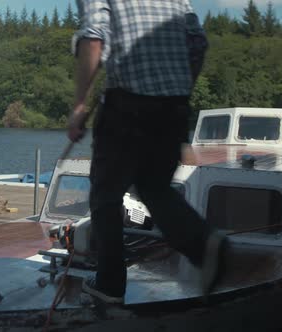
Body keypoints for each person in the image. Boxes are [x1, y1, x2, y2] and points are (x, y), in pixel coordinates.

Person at [67, 0, 225, 304]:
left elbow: (93, 37)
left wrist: (79, 106)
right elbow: (197, 43)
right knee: (154, 188)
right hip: (175, 103)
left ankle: (109, 285)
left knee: (105, 193)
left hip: (128, 102)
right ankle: (203, 243)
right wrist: (176, 91)